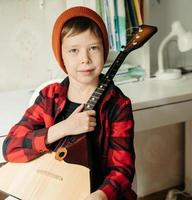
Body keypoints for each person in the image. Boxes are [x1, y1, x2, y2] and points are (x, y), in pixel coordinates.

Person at [2, 6, 136, 200]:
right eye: (74, 50)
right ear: (61, 56)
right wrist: (64, 128)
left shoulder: (118, 105)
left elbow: (122, 170)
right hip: (52, 190)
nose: (85, 59)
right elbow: (10, 148)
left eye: (93, 48)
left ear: (104, 50)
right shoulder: (49, 96)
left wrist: (100, 196)